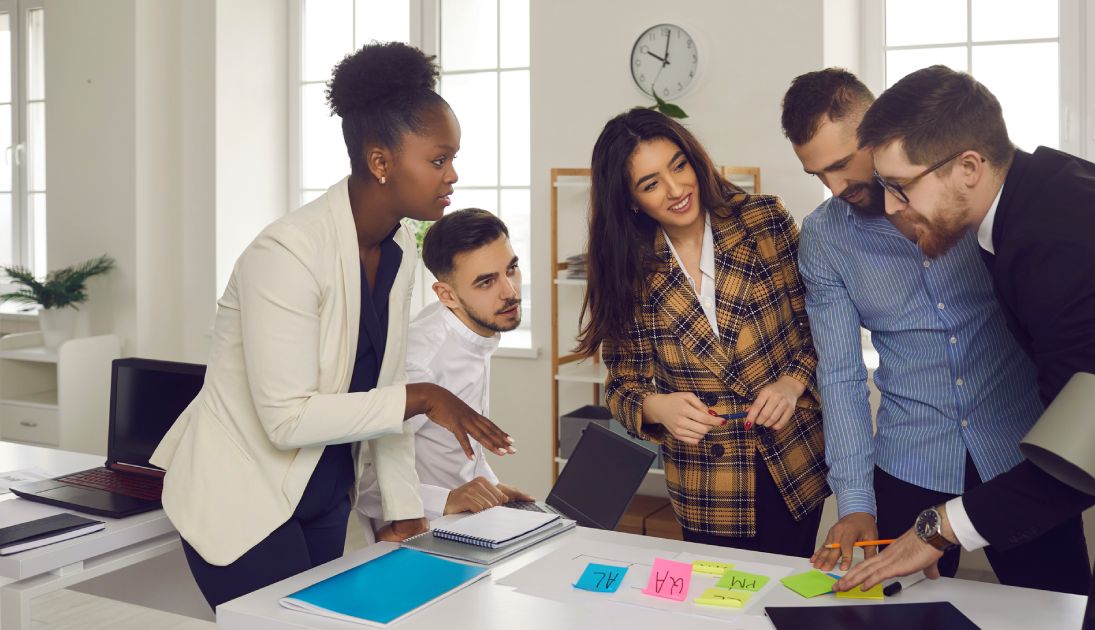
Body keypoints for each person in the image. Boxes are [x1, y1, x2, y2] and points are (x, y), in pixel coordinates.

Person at [149, 42, 514, 609]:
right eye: (438, 160)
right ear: (381, 162)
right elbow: (286, 417)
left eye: (452, 159)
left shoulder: (397, 252)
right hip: (241, 497)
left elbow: (384, 394)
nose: (452, 175)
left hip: (321, 496)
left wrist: (404, 513)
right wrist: (424, 396)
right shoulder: (288, 253)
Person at [837, 64, 1095, 592]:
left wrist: (937, 529)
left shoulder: (1056, 250)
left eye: (900, 187)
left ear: (968, 167)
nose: (890, 208)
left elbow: (1082, 456)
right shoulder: (1041, 186)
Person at [780, 69, 1089, 593]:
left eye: (840, 165)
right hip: (910, 466)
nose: (834, 188)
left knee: (1058, 610)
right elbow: (841, 376)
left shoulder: (969, 198)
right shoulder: (826, 237)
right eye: (817, 175)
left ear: (878, 131)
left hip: (1023, 456)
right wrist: (855, 501)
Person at [577, 108, 829, 557]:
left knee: (790, 604)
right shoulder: (626, 270)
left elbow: (822, 327)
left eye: (679, 166)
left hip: (792, 460)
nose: (676, 190)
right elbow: (621, 387)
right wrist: (657, 406)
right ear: (631, 200)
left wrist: (792, 383)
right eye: (651, 184)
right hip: (708, 486)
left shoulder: (763, 220)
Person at [359, 209, 534, 534]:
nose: (510, 291)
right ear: (447, 295)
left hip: (471, 523)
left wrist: (492, 489)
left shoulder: (477, 332)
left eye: (511, 268)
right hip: (420, 538)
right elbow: (363, 483)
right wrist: (447, 499)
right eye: (486, 282)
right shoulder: (421, 360)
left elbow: (453, 453)